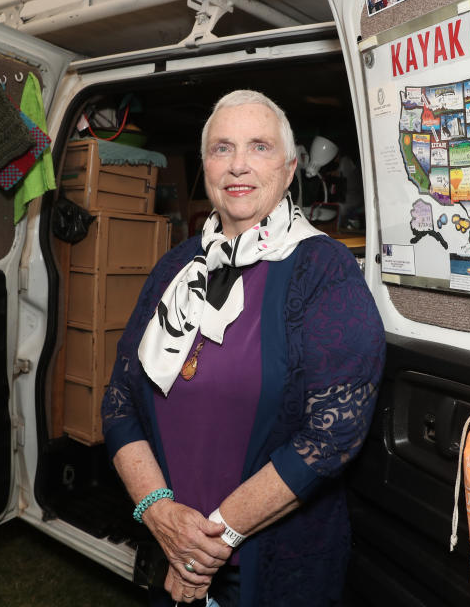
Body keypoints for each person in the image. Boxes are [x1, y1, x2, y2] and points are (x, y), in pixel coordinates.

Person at [102, 90, 386, 607]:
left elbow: (331, 437)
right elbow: (120, 400)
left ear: (290, 166)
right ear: (205, 164)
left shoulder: (324, 272)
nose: (238, 165)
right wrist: (161, 516)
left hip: (273, 567)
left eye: (258, 147)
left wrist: (207, 546)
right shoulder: (175, 268)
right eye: (221, 149)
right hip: (168, 546)